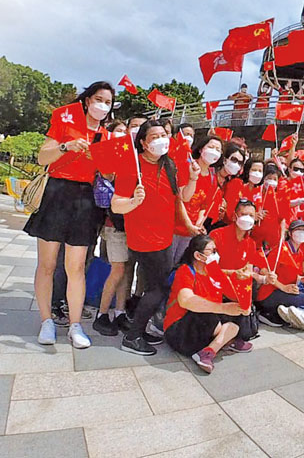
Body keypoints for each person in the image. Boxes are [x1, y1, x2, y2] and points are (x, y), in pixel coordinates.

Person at [28, 82, 115, 348]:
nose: (102, 105)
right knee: (48, 264)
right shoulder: (65, 122)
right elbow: (43, 156)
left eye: (108, 102)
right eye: (98, 99)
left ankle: (75, 325)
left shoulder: (107, 137)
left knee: (76, 266)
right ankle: (46, 321)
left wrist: (101, 160)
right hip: (57, 193)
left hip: (85, 200)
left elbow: (110, 174)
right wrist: (67, 146)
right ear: (87, 101)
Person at [112, 119, 195, 355]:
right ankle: (132, 336)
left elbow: (183, 198)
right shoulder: (132, 167)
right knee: (158, 289)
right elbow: (116, 205)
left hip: (164, 238)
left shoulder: (168, 165)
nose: (161, 140)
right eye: (154, 137)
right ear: (143, 143)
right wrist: (133, 201)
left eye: (163, 135)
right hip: (144, 239)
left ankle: (139, 327)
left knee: (153, 287)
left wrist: (193, 177)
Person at [163, 234, 251, 373]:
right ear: (198, 255)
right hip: (181, 331)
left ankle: (209, 351)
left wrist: (242, 304)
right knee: (209, 314)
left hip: (205, 326)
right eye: (213, 251)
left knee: (238, 322)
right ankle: (224, 340)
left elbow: (232, 295)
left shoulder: (213, 271)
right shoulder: (185, 271)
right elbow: (186, 300)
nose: (217, 254)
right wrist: (223, 308)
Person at [92, 120, 135, 337]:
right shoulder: (114, 155)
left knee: (124, 271)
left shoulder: (134, 157)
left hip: (130, 225)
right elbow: (105, 181)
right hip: (115, 225)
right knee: (117, 270)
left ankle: (119, 312)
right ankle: (102, 314)